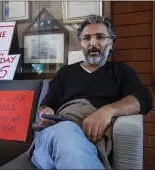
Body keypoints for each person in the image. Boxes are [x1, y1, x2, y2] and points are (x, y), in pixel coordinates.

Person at [31, 14, 153, 169]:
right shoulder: (65, 73)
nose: (93, 43)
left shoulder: (121, 72)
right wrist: (44, 112)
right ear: (81, 44)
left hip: (91, 141)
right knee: (66, 131)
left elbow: (144, 98)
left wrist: (107, 111)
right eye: (87, 38)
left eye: (100, 37)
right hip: (56, 133)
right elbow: (46, 105)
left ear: (111, 43)